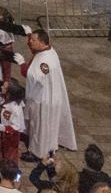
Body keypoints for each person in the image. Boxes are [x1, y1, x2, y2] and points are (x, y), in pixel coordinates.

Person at [21, 30, 76, 161]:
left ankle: (37, 153)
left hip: (43, 99)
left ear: (42, 42)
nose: (30, 42)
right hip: (50, 96)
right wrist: (29, 34)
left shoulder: (45, 60)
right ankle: (48, 147)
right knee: (46, 126)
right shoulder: (48, 51)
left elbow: (34, 76)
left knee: (39, 126)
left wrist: (22, 64)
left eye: (33, 40)